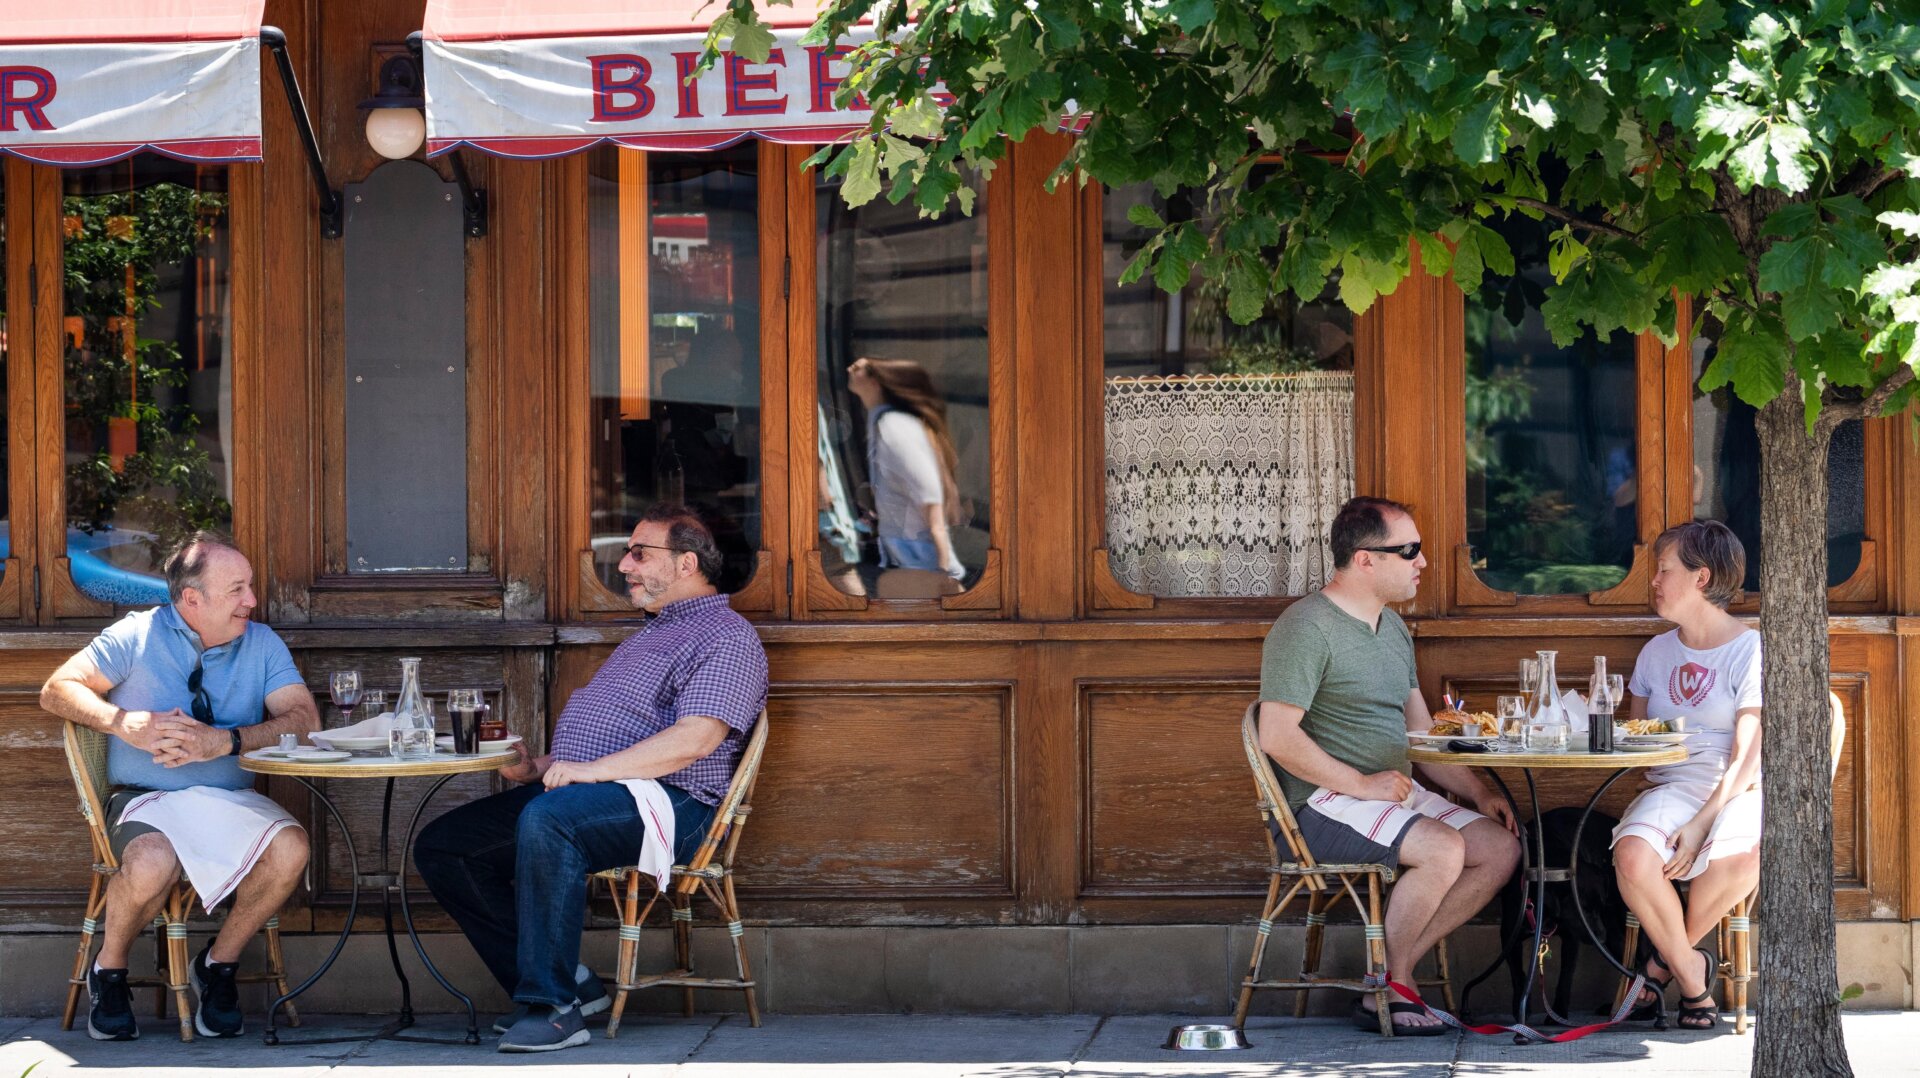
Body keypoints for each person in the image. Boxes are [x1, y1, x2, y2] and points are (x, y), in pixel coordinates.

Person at [414, 503, 767, 1054]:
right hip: (596, 792)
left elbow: (695, 739)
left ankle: (553, 1008)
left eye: (638, 553)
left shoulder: (726, 636)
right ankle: (575, 983)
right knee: (446, 847)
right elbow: (600, 746)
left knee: (550, 820)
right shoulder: (652, 633)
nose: (624, 565)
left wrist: (590, 772)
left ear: (686, 564)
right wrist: (534, 768)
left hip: (675, 805)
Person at [1257, 496, 1520, 1034]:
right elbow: (1275, 735)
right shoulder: (1306, 627)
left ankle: (1386, 973)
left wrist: (1476, 792)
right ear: (1365, 559)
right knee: (1444, 848)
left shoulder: (1393, 629)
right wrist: (1360, 783)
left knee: (1500, 848)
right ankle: (1397, 982)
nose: (1423, 562)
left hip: (1388, 793)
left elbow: (1419, 736)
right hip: (1320, 805)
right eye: (1410, 551)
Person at [40, 533, 317, 1041]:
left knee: (292, 848)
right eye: (237, 590)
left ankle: (217, 966)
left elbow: (302, 717)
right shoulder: (137, 635)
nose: (251, 601)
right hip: (147, 799)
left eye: (249, 587)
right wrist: (125, 723)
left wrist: (226, 741)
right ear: (192, 599)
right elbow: (56, 689)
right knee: (150, 859)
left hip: (231, 801)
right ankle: (111, 971)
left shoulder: (261, 642)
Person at [1613, 520, 1763, 1032]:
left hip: (1734, 786)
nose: (1653, 580)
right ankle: (1691, 974)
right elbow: (1636, 735)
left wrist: (1702, 822)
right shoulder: (1656, 652)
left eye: (1664, 570)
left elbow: (1747, 755)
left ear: (1701, 578)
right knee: (1632, 855)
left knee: (1746, 854)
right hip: (1671, 785)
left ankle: (1657, 965)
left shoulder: (1750, 650)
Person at [845, 356, 967, 582]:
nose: (849, 368)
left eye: (859, 367)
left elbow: (928, 494)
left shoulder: (894, 426)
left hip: (923, 560)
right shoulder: (883, 421)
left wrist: (942, 571)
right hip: (906, 558)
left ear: (875, 382)